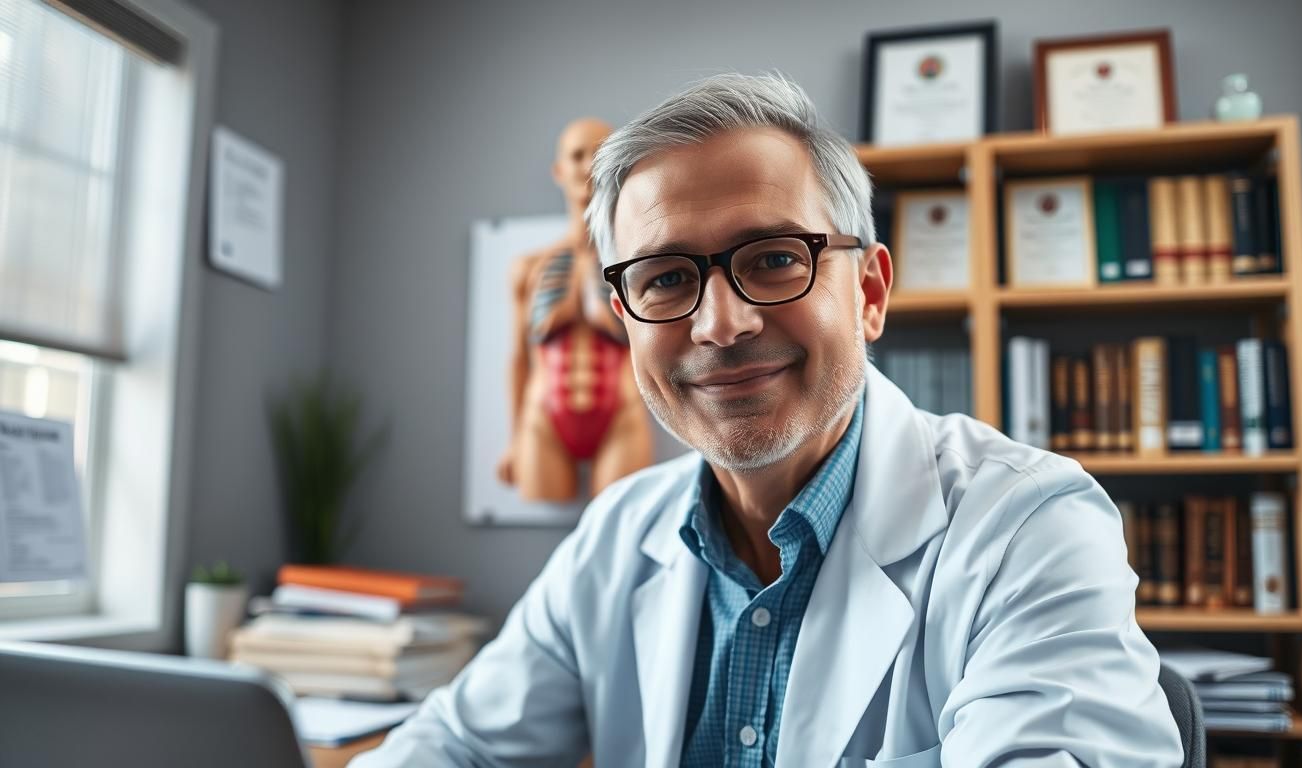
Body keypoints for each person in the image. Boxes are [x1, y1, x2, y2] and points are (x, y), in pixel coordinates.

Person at [352, 73, 1183, 767]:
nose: (720, 324)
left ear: (868, 293)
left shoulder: (1028, 525)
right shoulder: (617, 535)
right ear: (624, 316)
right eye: (667, 279)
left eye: (776, 259)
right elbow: (456, 745)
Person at [496, 117, 653, 502]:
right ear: (559, 170)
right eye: (577, 155)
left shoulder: (642, 267)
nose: (586, 166)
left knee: (622, 528)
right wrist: (514, 440)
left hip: (622, 415)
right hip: (543, 419)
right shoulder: (529, 268)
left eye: (598, 154)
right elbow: (518, 357)